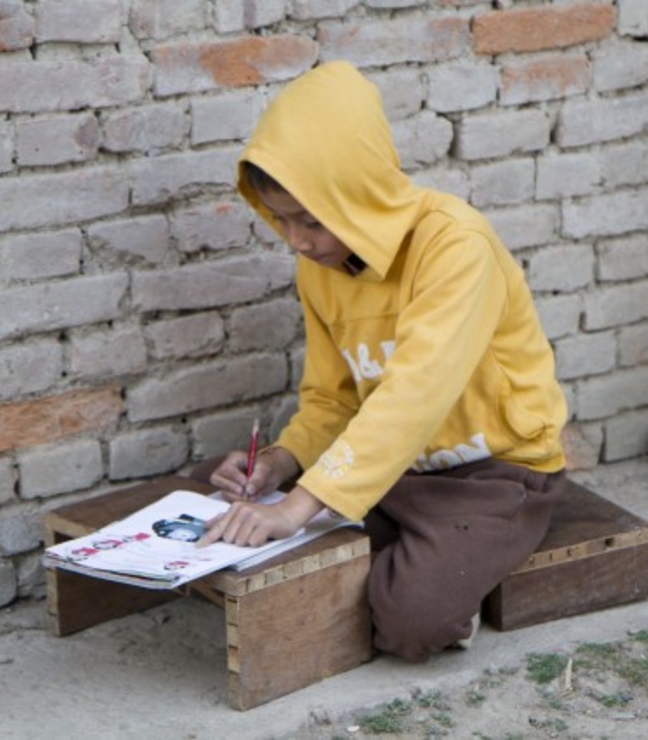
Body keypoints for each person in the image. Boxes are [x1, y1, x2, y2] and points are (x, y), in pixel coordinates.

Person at [194, 60, 569, 663]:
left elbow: (411, 400)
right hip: (392, 472)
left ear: (360, 196)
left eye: (311, 219)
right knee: (217, 489)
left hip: (492, 475)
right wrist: (284, 463)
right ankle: (405, 547)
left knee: (413, 622)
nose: (297, 239)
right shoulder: (321, 266)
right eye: (281, 219)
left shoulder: (454, 246)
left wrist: (299, 504)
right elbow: (333, 399)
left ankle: (444, 568)